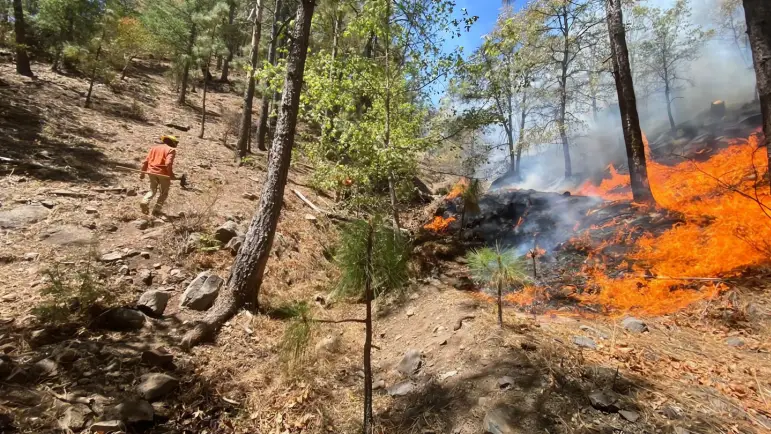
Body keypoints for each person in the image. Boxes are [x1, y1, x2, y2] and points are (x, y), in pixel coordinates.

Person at [140, 135, 178, 215]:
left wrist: (142, 173)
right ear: (172, 142)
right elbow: (168, 163)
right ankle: (156, 210)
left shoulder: (154, 148)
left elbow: (146, 162)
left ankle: (145, 200)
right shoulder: (171, 150)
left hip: (151, 172)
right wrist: (170, 175)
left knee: (152, 190)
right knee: (163, 193)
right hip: (163, 174)